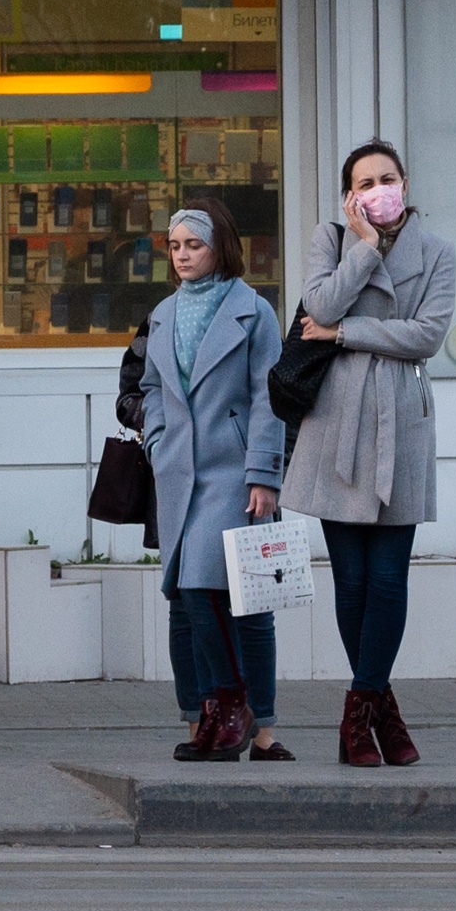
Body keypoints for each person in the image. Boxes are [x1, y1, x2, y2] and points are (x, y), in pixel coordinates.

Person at [283, 140, 456, 767]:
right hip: (336, 423)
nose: (379, 189)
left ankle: (359, 708)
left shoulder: (437, 252)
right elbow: (318, 308)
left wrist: (347, 333)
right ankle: (379, 709)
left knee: (388, 578)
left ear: (405, 183)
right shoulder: (330, 242)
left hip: (402, 427)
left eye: (388, 178)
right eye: (365, 182)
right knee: (351, 579)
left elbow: (427, 336)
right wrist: (361, 249)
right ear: (349, 195)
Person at [140, 199, 289, 762]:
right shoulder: (163, 313)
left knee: (212, 590)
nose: (182, 255)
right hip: (179, 471)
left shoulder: (254, 311)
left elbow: (267, 397)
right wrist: (157, 441)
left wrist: (263, 473)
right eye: (175, 246)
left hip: (234, 472)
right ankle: (218, 713)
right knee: (193, 592)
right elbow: (152, 387)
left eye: (193, 245)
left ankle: (234, 703)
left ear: (220, 247)